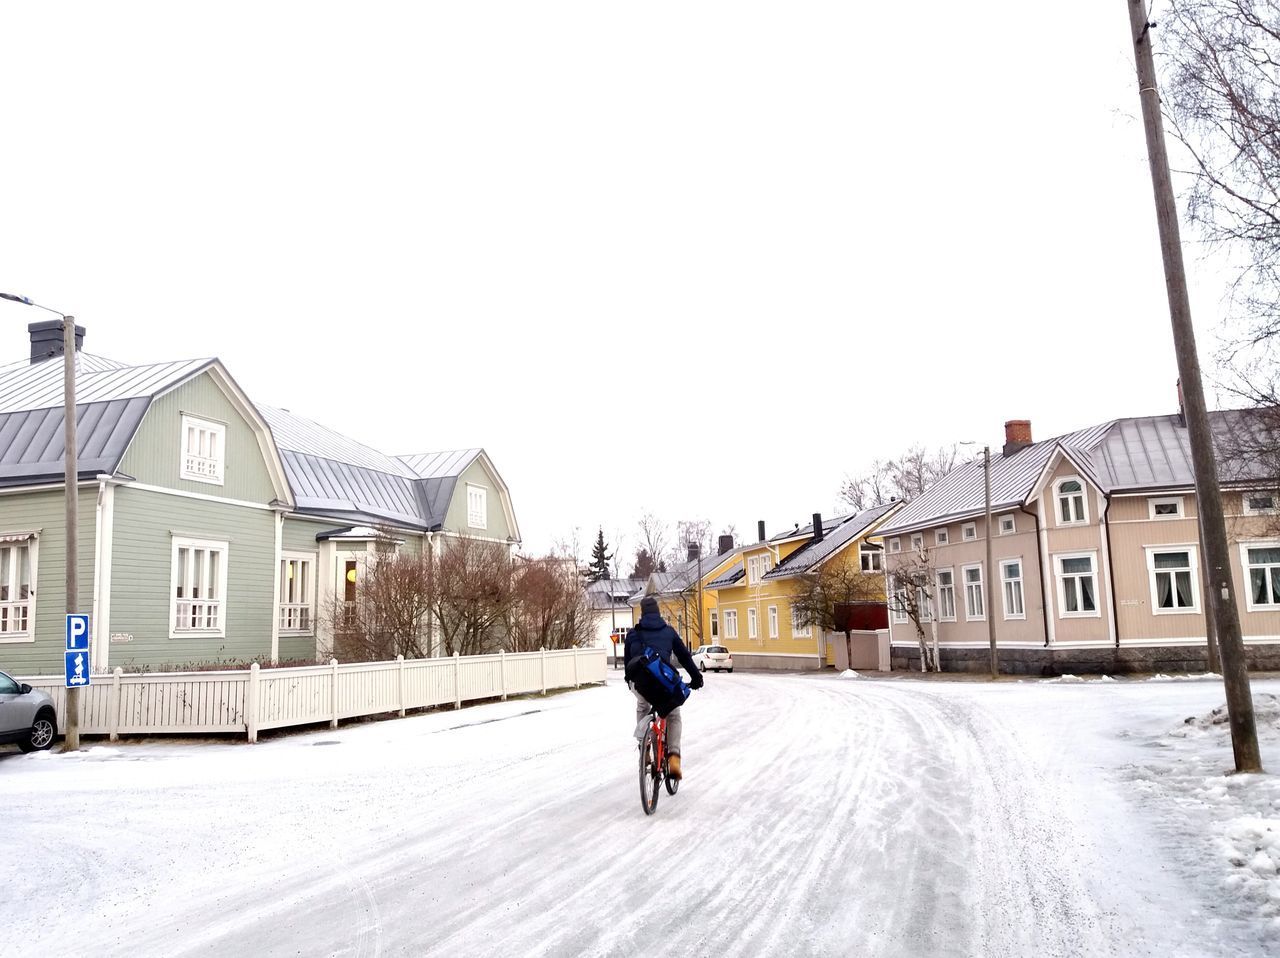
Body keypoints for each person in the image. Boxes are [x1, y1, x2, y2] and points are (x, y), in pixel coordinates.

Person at [625, 595, 703, 779]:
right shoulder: (668, 632)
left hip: (641, 684)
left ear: (642, 614)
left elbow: (628, 664)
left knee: (642, 706)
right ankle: (674, 757)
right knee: (673, 714)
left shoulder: (632, 634)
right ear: (658, 613)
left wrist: (630, 683)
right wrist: (696, 677)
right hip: (664, 684)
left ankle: (644, 748)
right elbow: (684, 656)